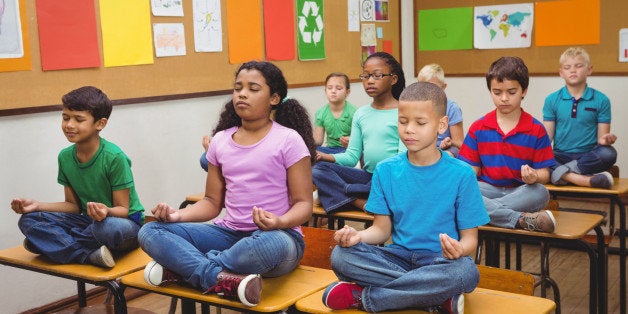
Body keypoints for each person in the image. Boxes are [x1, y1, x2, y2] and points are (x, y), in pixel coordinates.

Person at [139, 61, 316, 307]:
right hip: (229, 235)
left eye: (253, 89)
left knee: (267, 245)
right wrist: (176, 216)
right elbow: (212, 202)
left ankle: (183, 270)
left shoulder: (289, 140)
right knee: (151, 230)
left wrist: (280, 221)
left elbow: (304, 204)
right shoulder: (221, 141)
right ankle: (216, 277)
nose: (242, 94)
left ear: (274, 98)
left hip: (278, 237)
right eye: (238, 88)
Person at [321, 82, 489, 313]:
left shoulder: (462, 174)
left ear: (441, 125)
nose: (409, 129)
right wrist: (357, 236)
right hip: (396, 257)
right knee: (342, 256)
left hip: (439, 262)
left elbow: (470, 239)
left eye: (420, 123)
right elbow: (381, 230)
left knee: (465, 273)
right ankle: (434, 297)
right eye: (402, 121)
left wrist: (460, 250)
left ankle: (365, 298)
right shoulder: (385, 170)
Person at [10, 86, 145, 268]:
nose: (69, 125)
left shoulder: (115, 157)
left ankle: (52, 245)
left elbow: (123, 209)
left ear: (100, 124)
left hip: (123, 224)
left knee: (108, 228)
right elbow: (73, 207)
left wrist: (106, 211)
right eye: (65, 118)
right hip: (89, 223)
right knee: (29, 220)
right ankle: (87, 255)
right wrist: (37, 205)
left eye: (79, 119)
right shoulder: (65, 157)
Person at [458, 56, 557, 233]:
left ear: (524, 91)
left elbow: (545, 174)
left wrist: (534, 176)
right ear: (490, 91)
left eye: (511, 92)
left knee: (541, 192)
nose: (504, 98)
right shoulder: (478, 127)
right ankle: (519, 219)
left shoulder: (536, 129)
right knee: (459, 190)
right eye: (497, 93)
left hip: (522, 191)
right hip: (487, 189)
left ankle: (477, 212)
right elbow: (469, 171)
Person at [312, 52, 406, 213]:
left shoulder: (404, 111)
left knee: (385, 182)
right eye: (366, 76)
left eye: (377, 75)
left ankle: (344, 192)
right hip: (367, 177)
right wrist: (323, 156)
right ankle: (359, 201)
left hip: (391, 178)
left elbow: (402, 159)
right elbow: (351, 157)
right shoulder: (361, 113)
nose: (370, 81)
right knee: (317, 170)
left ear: (393, 79)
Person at [543, 47, 617, 189]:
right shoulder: (551, 100)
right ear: (561, 73)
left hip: (588, 155)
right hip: (560, 155)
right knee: (538, 155)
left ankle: (562, 174)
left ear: (589, 70)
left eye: (578, 66)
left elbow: (602, 141)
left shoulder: (601, 100)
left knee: (609, 153)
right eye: (567, 67)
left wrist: (605, 140)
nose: (573, 70)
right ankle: (584, 180)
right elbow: (547, 137)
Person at [417, 63, 464, 157]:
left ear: (443, 87)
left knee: (448, 154)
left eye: (433, 88)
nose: (428, 92)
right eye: (423, 88)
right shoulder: (417, 107)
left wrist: (450, 142)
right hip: (423, 147)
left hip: (447, 149)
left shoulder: (452, 108)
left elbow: (460, 143)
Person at [313, 72, 357, 154]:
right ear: (325, 91)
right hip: (329, 150)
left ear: (347, 92)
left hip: (348, 150)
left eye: (339, 88)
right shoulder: (320, 113)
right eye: (329, 88)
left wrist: (351, 139)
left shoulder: (355, 112)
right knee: (313, 152)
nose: (333, 91)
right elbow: (317, 141)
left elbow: (360, 139)